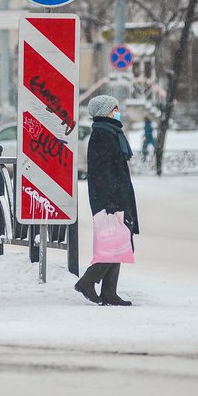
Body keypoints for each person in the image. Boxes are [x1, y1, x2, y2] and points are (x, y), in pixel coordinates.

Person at [74, 95, 139, 306]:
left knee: (118, 241)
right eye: (114, 109)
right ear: (104, 112)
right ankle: (87, 280)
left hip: (117, 195)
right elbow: (101, 172)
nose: (117, 112)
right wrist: (110, 201)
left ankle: (110, 291)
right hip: (109, 198)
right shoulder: (103, 134)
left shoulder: (112, 132)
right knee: (114, 242)